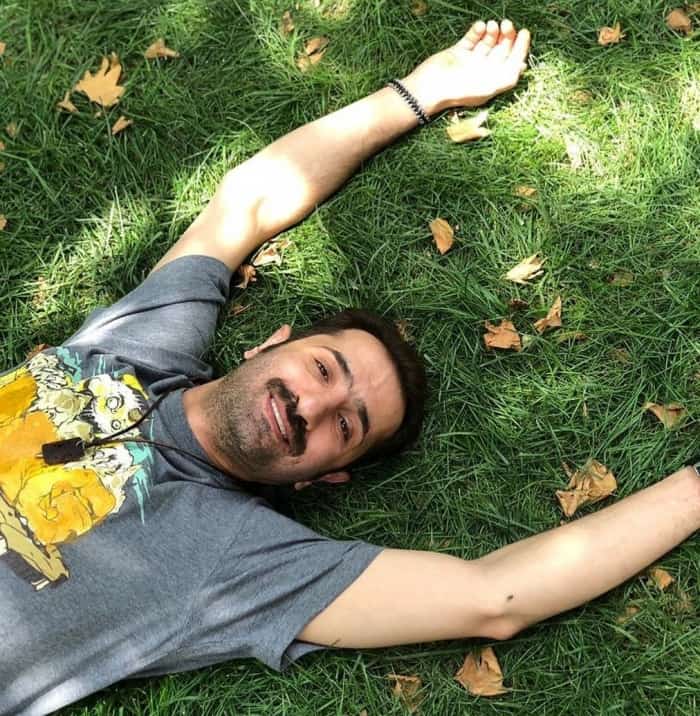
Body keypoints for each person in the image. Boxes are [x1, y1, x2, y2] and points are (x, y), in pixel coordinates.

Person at [1, 18, 698, 715]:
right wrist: (424, 90)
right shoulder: (143, 347)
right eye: (324, 370)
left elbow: (493, 596)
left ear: (325, 477)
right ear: (269, 344)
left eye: (347, 426)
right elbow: (248, 201)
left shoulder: (234, 559)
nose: (312, 406)